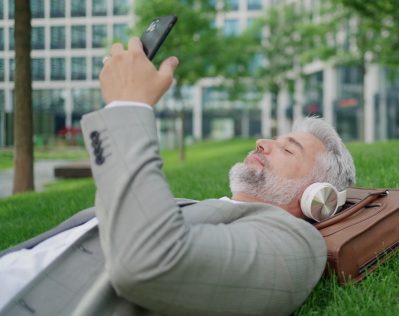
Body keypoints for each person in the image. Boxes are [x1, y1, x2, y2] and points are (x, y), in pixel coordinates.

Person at [0, 37, 356, 316]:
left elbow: (149, 261)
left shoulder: (297, 246)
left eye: (288, 148)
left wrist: (128, 108)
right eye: (273, 138)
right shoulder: (202, 208)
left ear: (318, 195)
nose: (262, 142)